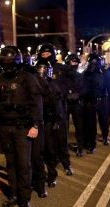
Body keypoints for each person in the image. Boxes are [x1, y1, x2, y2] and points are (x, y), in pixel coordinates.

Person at [0, 46, 43, 207]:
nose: (7, 65)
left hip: (23, 128)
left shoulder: (28, 78)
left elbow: (37, 104)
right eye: (5, 62)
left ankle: (25, 200)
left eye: (10, 62)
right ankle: (15, 195)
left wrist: (35, 125)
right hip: (4, 128)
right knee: (11, 164)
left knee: (24, 164)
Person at [36, 43, 73, 176]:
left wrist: (62, 93)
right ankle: (49, 165)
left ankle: (66, 163)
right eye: (43, 54)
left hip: (58, 107)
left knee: (61, 138)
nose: (45, 56)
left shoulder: (61, 69)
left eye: (48, 53)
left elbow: (71, 81)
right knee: (46, 142)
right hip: (42, 108)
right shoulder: (36, 69)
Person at [34, 59, 64, 190]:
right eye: (40, 68)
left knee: (50, 150)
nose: (42, 71)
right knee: (36, 152)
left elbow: (58, 104)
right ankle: (38, 176)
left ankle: (52, 175)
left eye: (44, 69)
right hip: (36, 122)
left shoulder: (53, 85)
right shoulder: (33, 83)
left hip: (48, 121)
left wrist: (57, 120)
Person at [81, 53, 105, 154]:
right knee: (85, 123)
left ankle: (91, 144)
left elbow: (101, 86)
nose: (94, 64)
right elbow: (81, 85)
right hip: (85, 100)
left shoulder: (101, 74)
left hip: (95, 100)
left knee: (92, 123)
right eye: (92, 62)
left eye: (96, 62)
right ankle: (86, 142)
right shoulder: (86, 73)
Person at [64, 53, 85, 157]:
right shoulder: (63, 76)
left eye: (75, 62)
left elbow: (84, 89)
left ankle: (80, 146)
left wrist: (78, 95)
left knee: (79, 125)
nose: (74, 64)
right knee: (64, 126)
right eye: (72, 62)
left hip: (76, 103)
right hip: (65, 103)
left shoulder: (80, 76)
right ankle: (64, 147)